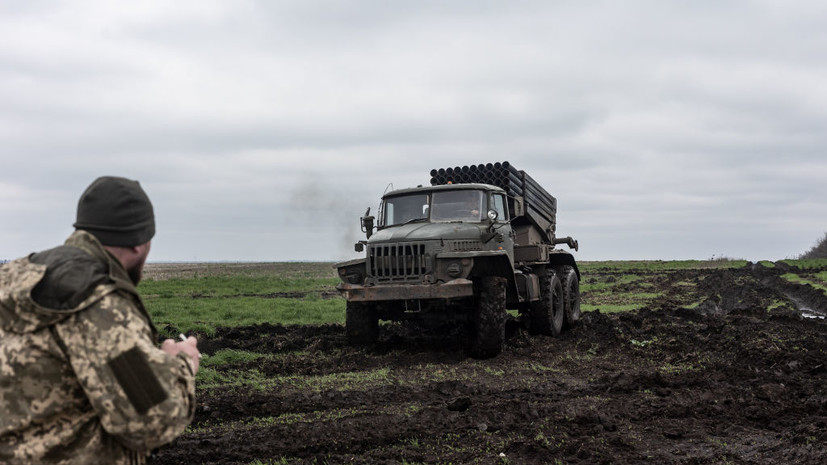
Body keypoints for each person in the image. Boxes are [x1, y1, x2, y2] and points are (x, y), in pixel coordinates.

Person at [0, 176, 200, 464]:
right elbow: (151, 422)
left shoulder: (15, 275)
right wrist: (180, 365)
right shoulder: (100, 304)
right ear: (139, 243)